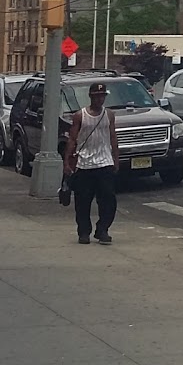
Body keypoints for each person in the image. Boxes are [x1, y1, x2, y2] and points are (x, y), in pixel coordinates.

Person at [64, 82, 120, 245]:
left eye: (102, 96)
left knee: (108, 199)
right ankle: (83, 232)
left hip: (104, 162)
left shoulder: (109, 115)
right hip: (84, 164)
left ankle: (102, 229)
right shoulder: (80, 116)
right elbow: (72, 139)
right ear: (91, 97)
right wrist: (67, 162)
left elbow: (113, 137)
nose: (100, 99)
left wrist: (116, 158)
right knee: (83, 201)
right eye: (97, 96)